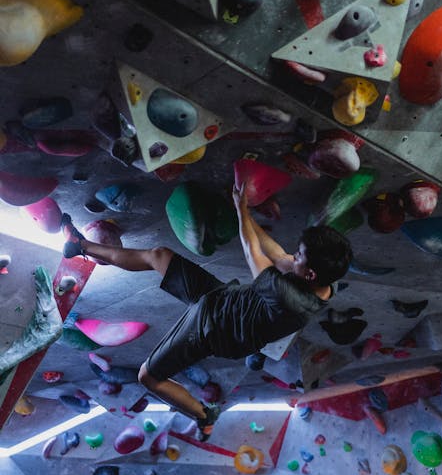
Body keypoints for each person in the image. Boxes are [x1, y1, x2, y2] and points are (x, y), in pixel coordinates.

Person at [61, 183, 352, 440]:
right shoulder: (325, 283)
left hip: (214, 329)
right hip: (226, 299)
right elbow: (277, 254)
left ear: (311, 274)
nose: (294, 256)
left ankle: (203, 415)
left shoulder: (287, 297)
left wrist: (240, 209)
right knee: (159, 256)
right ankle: (81, 245)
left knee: (147, 377)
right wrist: (246, 212)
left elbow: (253, 252)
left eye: (300, 256)